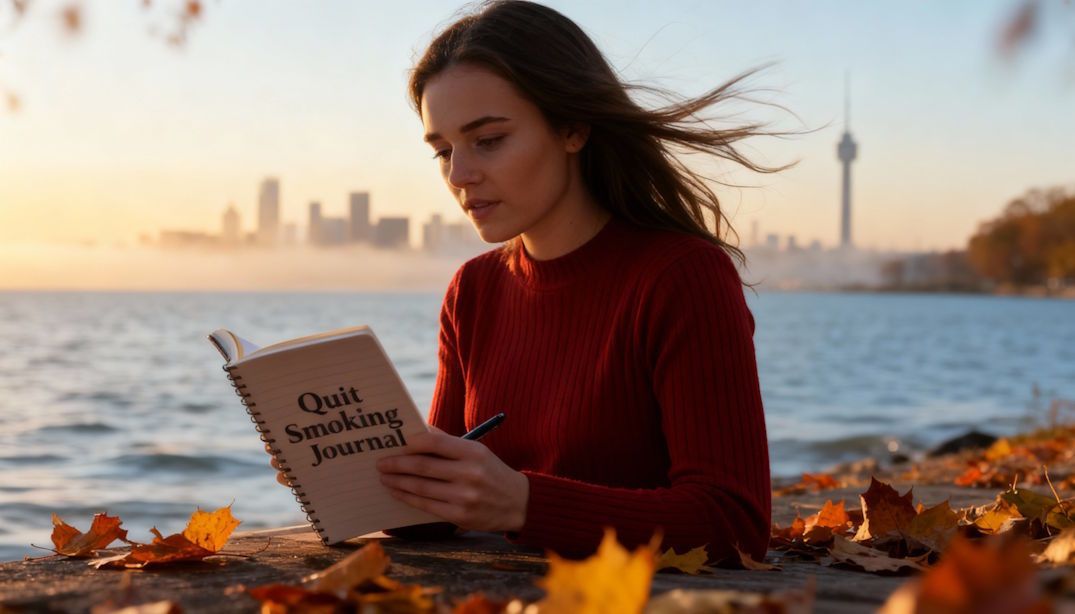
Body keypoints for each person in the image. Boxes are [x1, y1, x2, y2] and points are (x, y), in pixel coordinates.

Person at [284, 0, 781, 563]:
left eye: (489, 140)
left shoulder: (682, 276)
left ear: (572, 127)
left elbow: (735, 525)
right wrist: (350, 477)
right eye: (443, 150)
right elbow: (442, 511)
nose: (460, 175)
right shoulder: (472, 290)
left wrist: (523, 503)